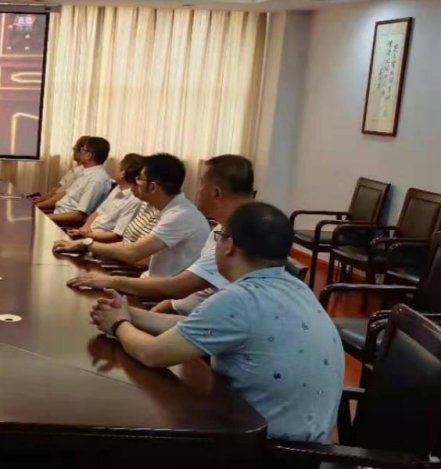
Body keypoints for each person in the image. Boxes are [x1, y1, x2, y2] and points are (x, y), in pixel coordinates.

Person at [89, 202, 345, 443]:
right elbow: (194, 328)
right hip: (305, 446)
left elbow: (153, 354)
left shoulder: (239, 299)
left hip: (269, 452)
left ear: (229, 245)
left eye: (219, 237)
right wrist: (130, 314)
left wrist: (118, 325)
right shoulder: (294, 287)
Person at [68, 155, 255, 306]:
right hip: (163, 297)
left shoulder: (234, 237)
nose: (198, 191)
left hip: (163, 300)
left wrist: (91, 250)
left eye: (201, 184)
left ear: (215, 193)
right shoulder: (220, 228)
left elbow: (175, 286)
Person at [54, 153, 210, 276]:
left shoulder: (179, 216)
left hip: (151, 287)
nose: (135, 182)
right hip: (139, 275)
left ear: (153, 187)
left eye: (139, 178)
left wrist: (86, 244)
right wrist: (88, 246)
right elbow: (127, 245)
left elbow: (132, 254)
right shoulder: (157, 206)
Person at [67, 153, 144, 241]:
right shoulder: (118, 188)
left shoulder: (134, 201)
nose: (115, 170)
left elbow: (116, 236)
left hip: (99, 241)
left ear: (122, 174)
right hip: (87, 234)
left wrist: (88, 235)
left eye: (117, 168)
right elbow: (97, 212)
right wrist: (85, 228)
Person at [48, 136, 112, 226]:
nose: (80, 152)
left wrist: (47, 217)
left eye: (83, 149)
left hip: (66, 223)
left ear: (88, 155)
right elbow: (65, 194)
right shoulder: (85, 172)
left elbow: (79, 215)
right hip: (57, 214)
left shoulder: (96, 180)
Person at [31, 137, 89, 210]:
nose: (73, 151)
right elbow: (58, 188)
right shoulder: (74, 170)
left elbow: (62, 196)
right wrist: (41, 199)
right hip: (51, 203)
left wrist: (39, 204)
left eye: (74, 149)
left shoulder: (82, 174)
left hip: (57, 207)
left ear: (82, 152)